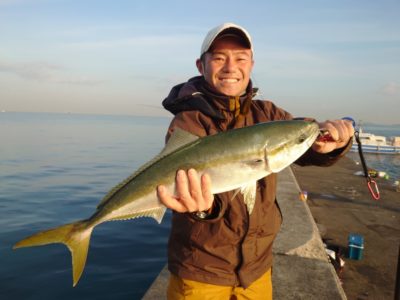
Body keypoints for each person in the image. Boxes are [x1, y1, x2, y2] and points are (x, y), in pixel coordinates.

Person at [157, 23, 354, 299]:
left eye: (240, 58)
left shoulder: (268, 114)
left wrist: (331, 145)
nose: (230, 67)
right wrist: (203, 209)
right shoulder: (188, 121)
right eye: (219, 58)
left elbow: (303, 144)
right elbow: (196, 194)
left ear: (251, 64)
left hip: (257, 269)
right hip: (201, 272)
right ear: (201, 65)